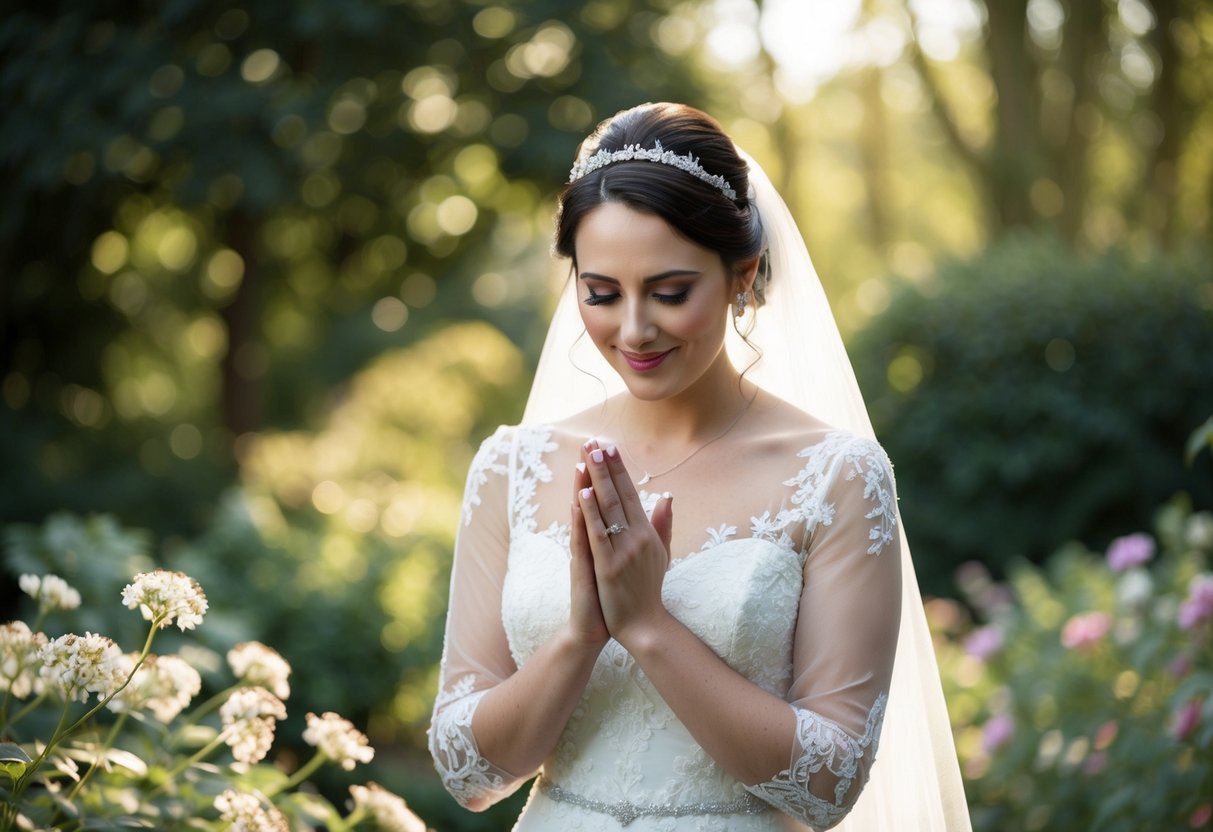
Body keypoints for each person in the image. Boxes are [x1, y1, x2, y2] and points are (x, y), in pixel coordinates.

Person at [429, 102, 971, 831]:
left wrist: (650, 626)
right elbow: (468, 772)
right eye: (600, 294)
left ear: (742, 276)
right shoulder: (512, 467)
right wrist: (579, 638)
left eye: (669, 292)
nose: (632, 330)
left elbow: (829, 785)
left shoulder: (836, 476)